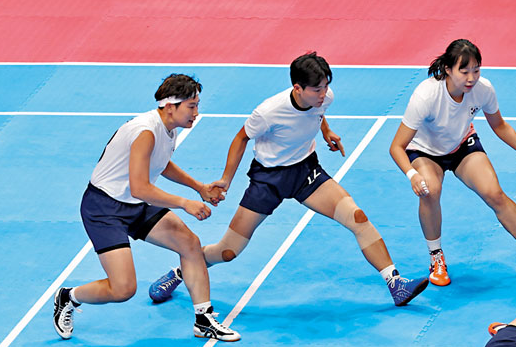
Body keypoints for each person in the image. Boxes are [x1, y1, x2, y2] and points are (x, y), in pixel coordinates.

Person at [149, 53, 428, 307]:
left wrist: (327, 132)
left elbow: (317, 115)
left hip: (306, 172)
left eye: (326, 87)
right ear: (298, 88)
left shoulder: (324, 99)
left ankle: (395, 283)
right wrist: (226, 179)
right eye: (317, 89)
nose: (324, 94)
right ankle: (180, 270)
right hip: (268, 180)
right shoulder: (268, 112)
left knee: (357, 216)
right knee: (228, 251)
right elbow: (241, 138)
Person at [53, 74, 240, 342]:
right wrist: (185, 202)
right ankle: (68, 296)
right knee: (123, 289)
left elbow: (161, 164)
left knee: (189, 243)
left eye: (197, 105)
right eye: (191, 106)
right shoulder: (145, 132)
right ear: (170, 106)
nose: (196, 113)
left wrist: (198, 187)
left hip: (135, 204)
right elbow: (141, 187)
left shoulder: (168, 129)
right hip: (104, 208)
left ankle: (204, 319)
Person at [389, 39, 516, 286]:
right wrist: (412, 175)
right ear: (448, 69)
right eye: (464, 71)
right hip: (425, 152)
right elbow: (396, 146)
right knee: (430, 191)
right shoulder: (426, 95)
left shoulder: (483, 89)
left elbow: (499, 125)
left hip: (461, 145)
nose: (471, 78)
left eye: (476, 70)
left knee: (494, 193)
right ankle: (436, 257)